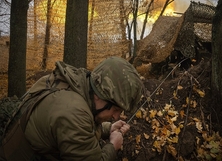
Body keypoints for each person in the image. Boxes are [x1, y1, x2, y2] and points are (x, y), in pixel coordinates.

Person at [0, 56, 144, 161]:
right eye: (116, 110)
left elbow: (74, 129)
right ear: (100, 96)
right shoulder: (73, 113)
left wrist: (108, 129)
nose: (116, 116)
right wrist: (112, 146)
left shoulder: (76, 84)